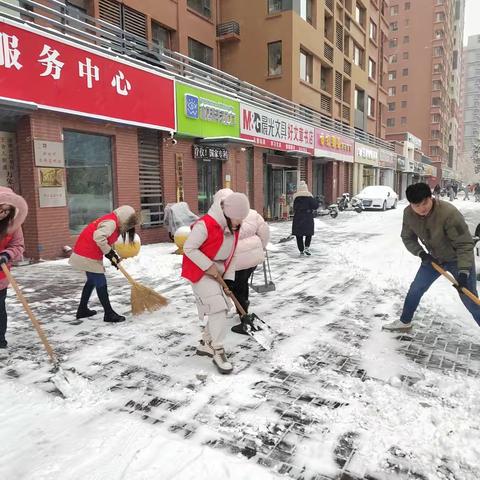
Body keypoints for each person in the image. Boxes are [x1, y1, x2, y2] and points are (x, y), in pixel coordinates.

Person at [383, 182, 480, 332]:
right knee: (416, 289)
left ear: (431, 197)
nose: (422, 209)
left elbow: (465, 243)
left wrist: (464, 271)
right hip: (433, 260)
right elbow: (407, 237)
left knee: (470, 299)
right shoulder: (408, 214)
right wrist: (421, 253)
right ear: (410, 204)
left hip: (458, 260)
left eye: (424, 203)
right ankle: (404, 322)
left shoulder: (449, 213)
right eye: (416, 206)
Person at [182, 192, 250, 374]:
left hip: (219, 272)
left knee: (223, 307)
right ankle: (217, 350)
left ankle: (206, 343)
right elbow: (188, 248)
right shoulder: (206, 224)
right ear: (227, 214)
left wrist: (228, 279)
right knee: (218, 307)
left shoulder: (234, 227)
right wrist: (208, 265)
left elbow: (233, 254)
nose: (240, 223)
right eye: (237, 219)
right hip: (200, 271)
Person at [212, 190, 270, 335]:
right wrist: (261, 247)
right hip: (253, 258)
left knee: (236, 286)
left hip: (234, 261)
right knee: (241, 283)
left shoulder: (220, 217)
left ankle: (243, 314)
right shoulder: (251, 213)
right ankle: (243, 308)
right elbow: (264, 231)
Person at [69, 205, 139, 323]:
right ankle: (109, 313)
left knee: (91, 281)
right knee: (100, 281)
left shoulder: (112, 220)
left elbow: (105, 240)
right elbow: (99, 237)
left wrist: (113, 256)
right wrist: (109, 253)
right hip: (87, 254)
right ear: (124, 218)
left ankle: (82, 309)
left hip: (86, 252)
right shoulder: (111, 222)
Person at [0, 188, 28, 348]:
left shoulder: (14, 225)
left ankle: (0, 339)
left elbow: (18, 245)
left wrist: (7, 255)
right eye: (1, 209)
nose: (3, 214)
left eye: (7, 211)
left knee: (0, 308)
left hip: (1, 275)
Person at [292, 181, 319, 256]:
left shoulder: (296, 198)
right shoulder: (309, 197)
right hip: (307, 217)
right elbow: (315, 206)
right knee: (308, 233)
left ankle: (301, 250)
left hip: (298, 217)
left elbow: (293, 208)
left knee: (299, 234)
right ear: (306, 189)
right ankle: (307, 247)